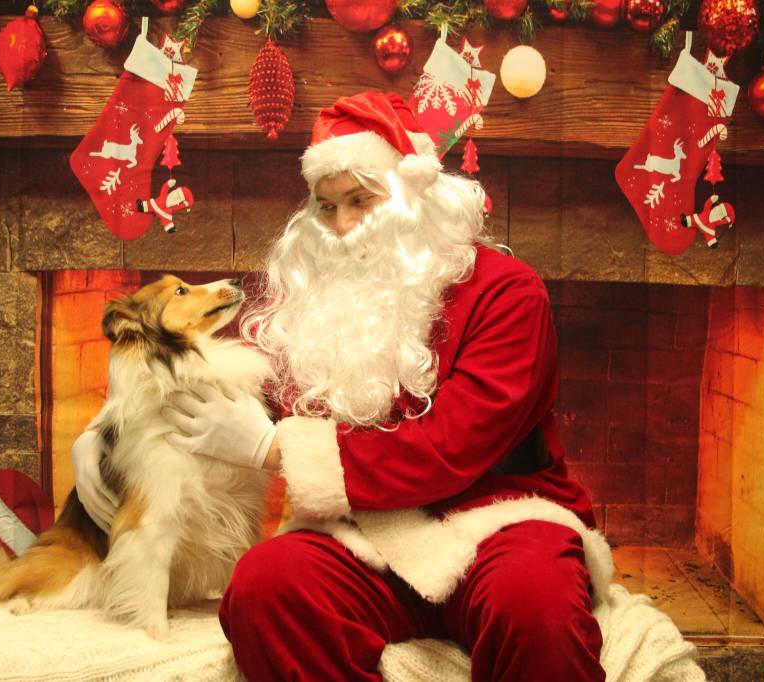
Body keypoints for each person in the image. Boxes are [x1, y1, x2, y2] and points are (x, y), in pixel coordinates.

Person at [73, 91, 610, 681]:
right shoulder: (316, 295)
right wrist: (108, 433)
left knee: (539, 611)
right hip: (365, 537)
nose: (342, 226)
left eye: (361, 200)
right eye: (325, 208)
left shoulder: (509, 293)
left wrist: (273, 450)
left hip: (499, 523)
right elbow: (225, 383)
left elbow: (453, 445)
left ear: (416, 196)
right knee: (264, 587)